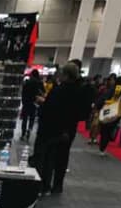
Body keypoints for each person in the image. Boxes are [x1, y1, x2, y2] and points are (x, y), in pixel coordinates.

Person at [33, 62, 84, 195]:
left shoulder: (59, 90)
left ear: (66, 75)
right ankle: (56, 185)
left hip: (51, 129)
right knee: (59, 158)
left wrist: (42, 103)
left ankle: (42, 185)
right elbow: (78, 113)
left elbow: (51, 110)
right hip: (67, 130)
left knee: (45, 158)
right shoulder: (79, 90)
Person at [96, 74, 121, 154]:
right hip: (115, 114)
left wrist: (98, 107)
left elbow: (102, 99)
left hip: (106, 112)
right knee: (109, 130)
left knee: (104, 129)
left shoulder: (111, 90)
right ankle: (103, 146)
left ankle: (102, 146)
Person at [20, 69, 44, 140]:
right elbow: (43, 92)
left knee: (24, 119)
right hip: (34, 103)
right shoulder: (39, 83)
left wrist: (23, 102)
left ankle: (23, 134)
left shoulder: (27, 82)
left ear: (32, 75)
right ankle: (29, 130)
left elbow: (23, 93)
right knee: (32, 119)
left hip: (26, 103)